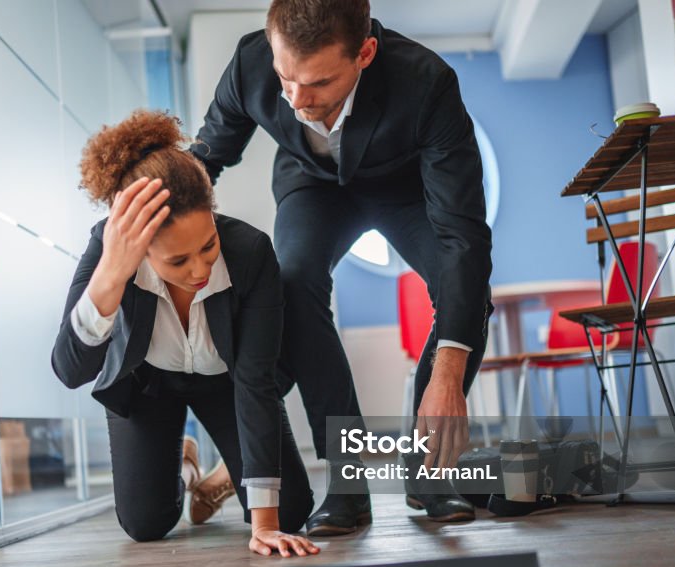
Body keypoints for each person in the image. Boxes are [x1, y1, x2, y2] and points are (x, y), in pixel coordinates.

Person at [191, 0, 494, 533]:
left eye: (318, 83)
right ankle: (348, 481)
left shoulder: (427, 83)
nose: (297, 101)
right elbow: (204, 159)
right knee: (291, 282)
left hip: (405, 190)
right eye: (288, 79)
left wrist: (448, 376)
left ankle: (426, 473)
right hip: (312, 186)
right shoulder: (252, 64)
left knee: (465, 291)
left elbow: (462, 237)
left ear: (366, 53)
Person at [52, 110, 319, 558]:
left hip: (228, 383)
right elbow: (69, 369)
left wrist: (266, 526)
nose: (199, 270)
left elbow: (256, 382)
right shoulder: (109, 249)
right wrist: (113, 273)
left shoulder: (251, 253)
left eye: (208, 246)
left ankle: (224, 477)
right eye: (178, 262)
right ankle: (187, 462)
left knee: (289, 508)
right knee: (146, 525)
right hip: (147, 385)